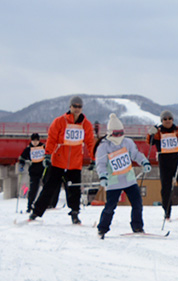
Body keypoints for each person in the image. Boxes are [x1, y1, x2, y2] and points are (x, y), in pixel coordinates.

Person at [30, 95, 96, 224]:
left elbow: (90, 143)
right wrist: (47, 154)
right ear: (70, 107)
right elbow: (52, 138)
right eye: (75, 106)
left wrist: (93, 159)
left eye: (79, 107)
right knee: (50, 187)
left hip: (75, 163)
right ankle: (36, 212)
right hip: (58, 161)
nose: (77, 109)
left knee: (74, 189)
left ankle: (75, 213)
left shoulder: (86, 125)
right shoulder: (60, 121)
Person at [94, 114, 152, 237]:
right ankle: (102, 228)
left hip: (129, 180)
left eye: (121, 133)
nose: (119, 136)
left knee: (137, 204)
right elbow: (101, 163)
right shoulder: (104, 147)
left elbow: (135, 154)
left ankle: (137, 227)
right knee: (110, 207)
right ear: (110, 133)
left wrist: (144, 161)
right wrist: (103, 176)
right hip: (113, 182)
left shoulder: (127, 142)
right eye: (116, 133)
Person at [146, 110, 178, 219]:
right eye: (165, 119)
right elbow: (150, 142)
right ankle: (167, 211)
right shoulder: (158, 132)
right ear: (161, 121)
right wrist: (151, 133)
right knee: (166, 187)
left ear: (172, 119)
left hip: (177, 160)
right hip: (164, 161)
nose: (167, 121)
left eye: (170, 118)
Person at [17, 133, 47, 210]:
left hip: (43, 170)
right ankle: (30, 205)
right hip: (33, 171)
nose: (35, 142)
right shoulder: (29, 149)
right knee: (33, 189)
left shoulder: (43, 147)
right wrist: (21, 164)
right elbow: (22, 157)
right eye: (34, 141)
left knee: (46, 187)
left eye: (37, 141)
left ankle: (45, 204)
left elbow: (49, 154)